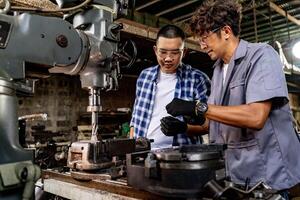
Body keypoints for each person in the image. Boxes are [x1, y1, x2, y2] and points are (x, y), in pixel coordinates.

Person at [165, 0, 300, 197]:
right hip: (236, 175)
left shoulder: (261, 56)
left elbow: (256, 117)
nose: (202, 45)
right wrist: (185, 127)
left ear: (226, 31)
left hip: (267, 175)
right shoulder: (218, 70)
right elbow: (215, 123)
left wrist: (198, 107)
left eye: (205, 37)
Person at [130, 24, 210, 149]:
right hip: (143, 154)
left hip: (181, 157)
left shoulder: (198, 79)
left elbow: (210, 125)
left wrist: (184, 128)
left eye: (175, 53)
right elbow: (135, 119)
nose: (168, 58)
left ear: (184, 53)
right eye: (163, 52)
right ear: (156, 50)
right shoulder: (144, 76)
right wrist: (131, 146)